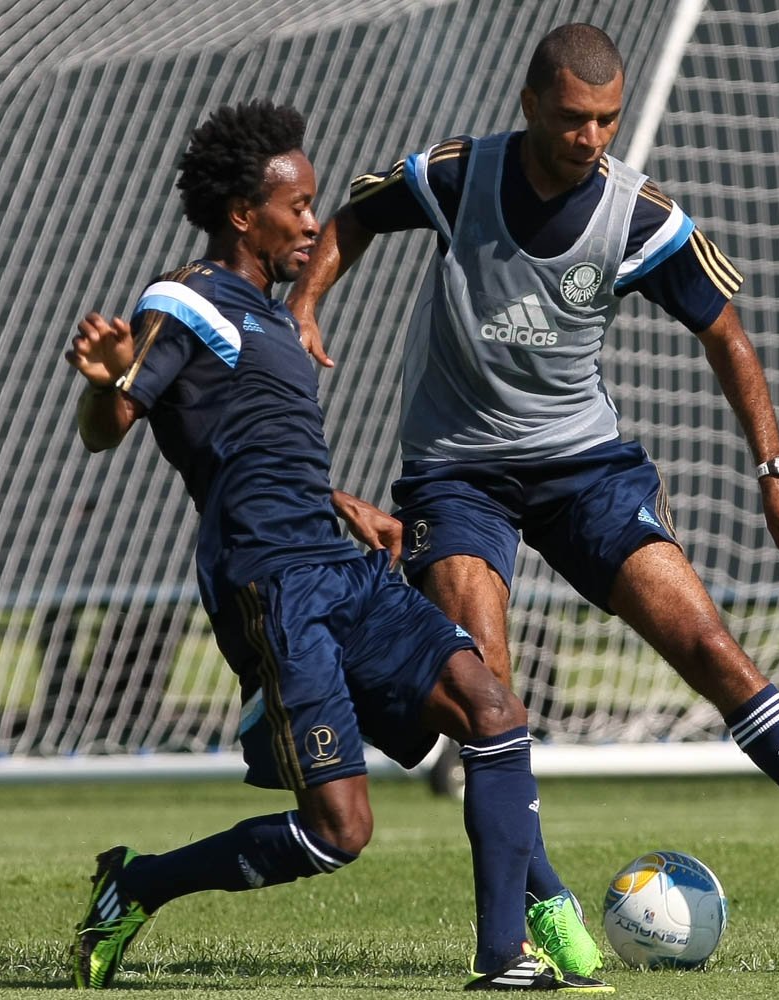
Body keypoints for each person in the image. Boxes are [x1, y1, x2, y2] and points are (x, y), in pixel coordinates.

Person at [286, 20, 779, 960]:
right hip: (457, 472)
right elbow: (353, 216)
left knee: (707, 643)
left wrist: (777, 478)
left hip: (586, 469)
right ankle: (546, 901)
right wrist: (308, 302)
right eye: (571, 119)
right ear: (529, 106)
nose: (590, 138)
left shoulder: (640, 215)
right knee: (491, 694)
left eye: (605, 120)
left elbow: (726, 334)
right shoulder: (457, 174)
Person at [63, 99, 614, 993]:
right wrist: (105, 380)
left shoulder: (274, 317)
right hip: (273, 587)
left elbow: (247, 446)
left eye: (316, 201)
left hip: (343, 567)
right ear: (244, 214)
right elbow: (112, 421)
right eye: (297, 205)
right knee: (338, 834)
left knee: (493, 711)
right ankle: (137, 884)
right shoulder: (183, 298)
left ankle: (505, 956)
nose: (313, 221)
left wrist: (340, 499)